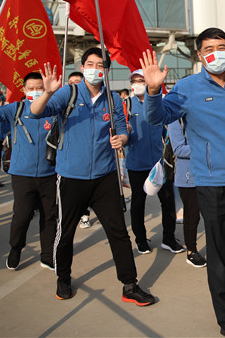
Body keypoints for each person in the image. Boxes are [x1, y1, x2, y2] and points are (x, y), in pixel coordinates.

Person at [142, 28, 225, 338]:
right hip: (213, 183)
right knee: (218, 252)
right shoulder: (187, 88)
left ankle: (224, 283)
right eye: (209, 48)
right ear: (200, 55)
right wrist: (152, 91)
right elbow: (156, 117)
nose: (217, 53)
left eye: (222, 46)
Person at [30, 47, 156, 306]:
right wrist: (48, 92)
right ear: (83, 65)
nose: (95, 69)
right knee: (65, 232)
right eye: (90, 63)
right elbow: (37, 112)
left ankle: (129, 285)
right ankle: (63, 277)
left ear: (107, 70)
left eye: (100, 65)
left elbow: (123, 130)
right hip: (71, 177)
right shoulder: (69, 93)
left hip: (105, 177)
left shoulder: (113, 99)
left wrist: (121, 138)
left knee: (118, 231)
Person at [0, 71, 58, 271]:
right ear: (24, 90)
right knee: (22, 214)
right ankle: (16, 248)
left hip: (50, 172)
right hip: (22, 174)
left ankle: (47, 254)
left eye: (40, 88)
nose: (35, 92)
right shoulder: (15, 109)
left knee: (49, 215)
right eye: (31, 88)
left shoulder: (54, 109)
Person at [126, 69, 181, 255]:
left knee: (167, 202)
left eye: (141, 80)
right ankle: (141, 240)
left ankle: (169, 239)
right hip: (136, 164)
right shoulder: (125, 105)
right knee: (138, 203)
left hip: (160, 164)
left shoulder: (160, 103)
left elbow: (169, 128)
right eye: (134, 81)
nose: (137, 84)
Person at [168, 117, 206, 267]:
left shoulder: (198, 112)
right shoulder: (175, 119)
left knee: (211, 213)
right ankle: (191, 252)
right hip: (187, 176)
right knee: (192, 215)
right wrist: (205, 148)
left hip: (205, 173)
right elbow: (178, 148)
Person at [66, 71, 92, 229]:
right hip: (68, 159)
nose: (74, 84)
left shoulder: (90, 103)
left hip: (87, 157)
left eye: (77, 81)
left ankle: (85, 215)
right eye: (71, 82)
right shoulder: (63, 102)